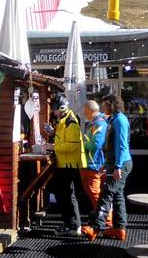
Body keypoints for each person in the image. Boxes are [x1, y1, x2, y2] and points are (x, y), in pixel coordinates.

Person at [91, 94, 132, 241]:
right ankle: (119, 228)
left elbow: (122, 145)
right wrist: (106, 164)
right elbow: (114, 146)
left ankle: (95, 227)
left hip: (120, 164)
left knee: (107, 193)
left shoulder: (119, 120)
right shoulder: (115, 119)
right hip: (116, 163)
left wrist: (118, 166)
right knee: (117, 195)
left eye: (104, 105)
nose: (102, 108)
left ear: (111, 104)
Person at [50, 94, 89, 236]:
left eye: (55, 109)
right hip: (63, 163)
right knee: (61, 193)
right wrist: (53, 133)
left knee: (67, 194)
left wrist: (53, 147)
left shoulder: (71, 122)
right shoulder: (64, 120)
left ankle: (74, 225)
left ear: (62, 108)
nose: (54, 112)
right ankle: (69, 222)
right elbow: (63, 139)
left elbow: (72, 146)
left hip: (69, 164)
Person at [79, 100, 110, 239]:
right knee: (97, 194)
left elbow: (95, 144)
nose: (84, 113)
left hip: (94, 164)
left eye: (85, 110)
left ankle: (106, 220)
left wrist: (80, 143)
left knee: (95, 194)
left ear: (90, 111)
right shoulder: (95, 123)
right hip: (93, 163)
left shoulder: (99, 123)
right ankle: (103, 219)